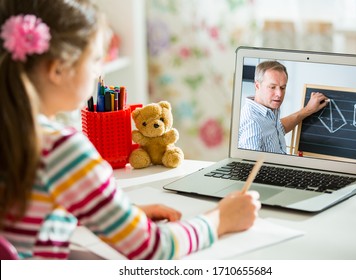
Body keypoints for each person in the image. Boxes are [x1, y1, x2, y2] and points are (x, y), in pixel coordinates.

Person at [0, 0, 260, 260]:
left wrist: (114, 214)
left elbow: (27, 216)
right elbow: (156, 247)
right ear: (58, 69)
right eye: (94, 60)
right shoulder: (60, 149)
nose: (98, 71)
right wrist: (220, 219)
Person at [238, 60, 329, 153]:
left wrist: (308, 110)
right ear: (257, 85)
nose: (279, 94)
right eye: (272, 87)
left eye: (282, 88)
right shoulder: (252, 123)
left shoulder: (268, 108)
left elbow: (277, 129)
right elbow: (249, 165)